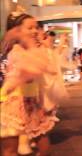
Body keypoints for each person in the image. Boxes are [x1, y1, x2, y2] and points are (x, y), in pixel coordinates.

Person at [0, 11, 60, 156]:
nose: (35, 31)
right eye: (30, 28)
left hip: (32, 103)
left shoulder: (35, 50)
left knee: (42, 145)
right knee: (10, 149)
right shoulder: (16, 51)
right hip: (14, 104)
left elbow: (48, 70)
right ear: (18, 31)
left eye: (36, 27)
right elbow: (22, 73)